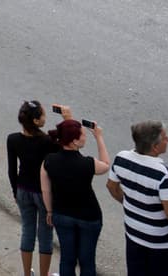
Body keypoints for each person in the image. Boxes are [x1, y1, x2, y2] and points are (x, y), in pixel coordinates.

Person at [105, 120, 168, 276]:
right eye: (165, 137)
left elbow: (111, 186)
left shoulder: (121, 158)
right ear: (155, 147)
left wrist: (129, 203)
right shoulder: (163, 174)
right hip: (160, 244)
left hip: (133, 234)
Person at [42, 117, 111, 276]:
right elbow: (106, 164)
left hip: (61, 214)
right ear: (74, 142)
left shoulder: (49, 161)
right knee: (87, 261)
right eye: (82, 135)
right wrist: (99, 137)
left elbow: (46, 190)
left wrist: (50, 212)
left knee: (67, 258)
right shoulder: (88, 163)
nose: (85, 136)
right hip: (89, 217)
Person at [8, 101, 59, 276]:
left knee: (27, 231)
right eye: (43, 115)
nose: (45, 117)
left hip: (22, 190)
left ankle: (27, 273)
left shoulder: (13, 139)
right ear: (36, 121)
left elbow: (11, 169)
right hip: (43, 193)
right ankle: (44, 274)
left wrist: (15, 192)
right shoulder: (47, 141)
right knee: (45, 235)